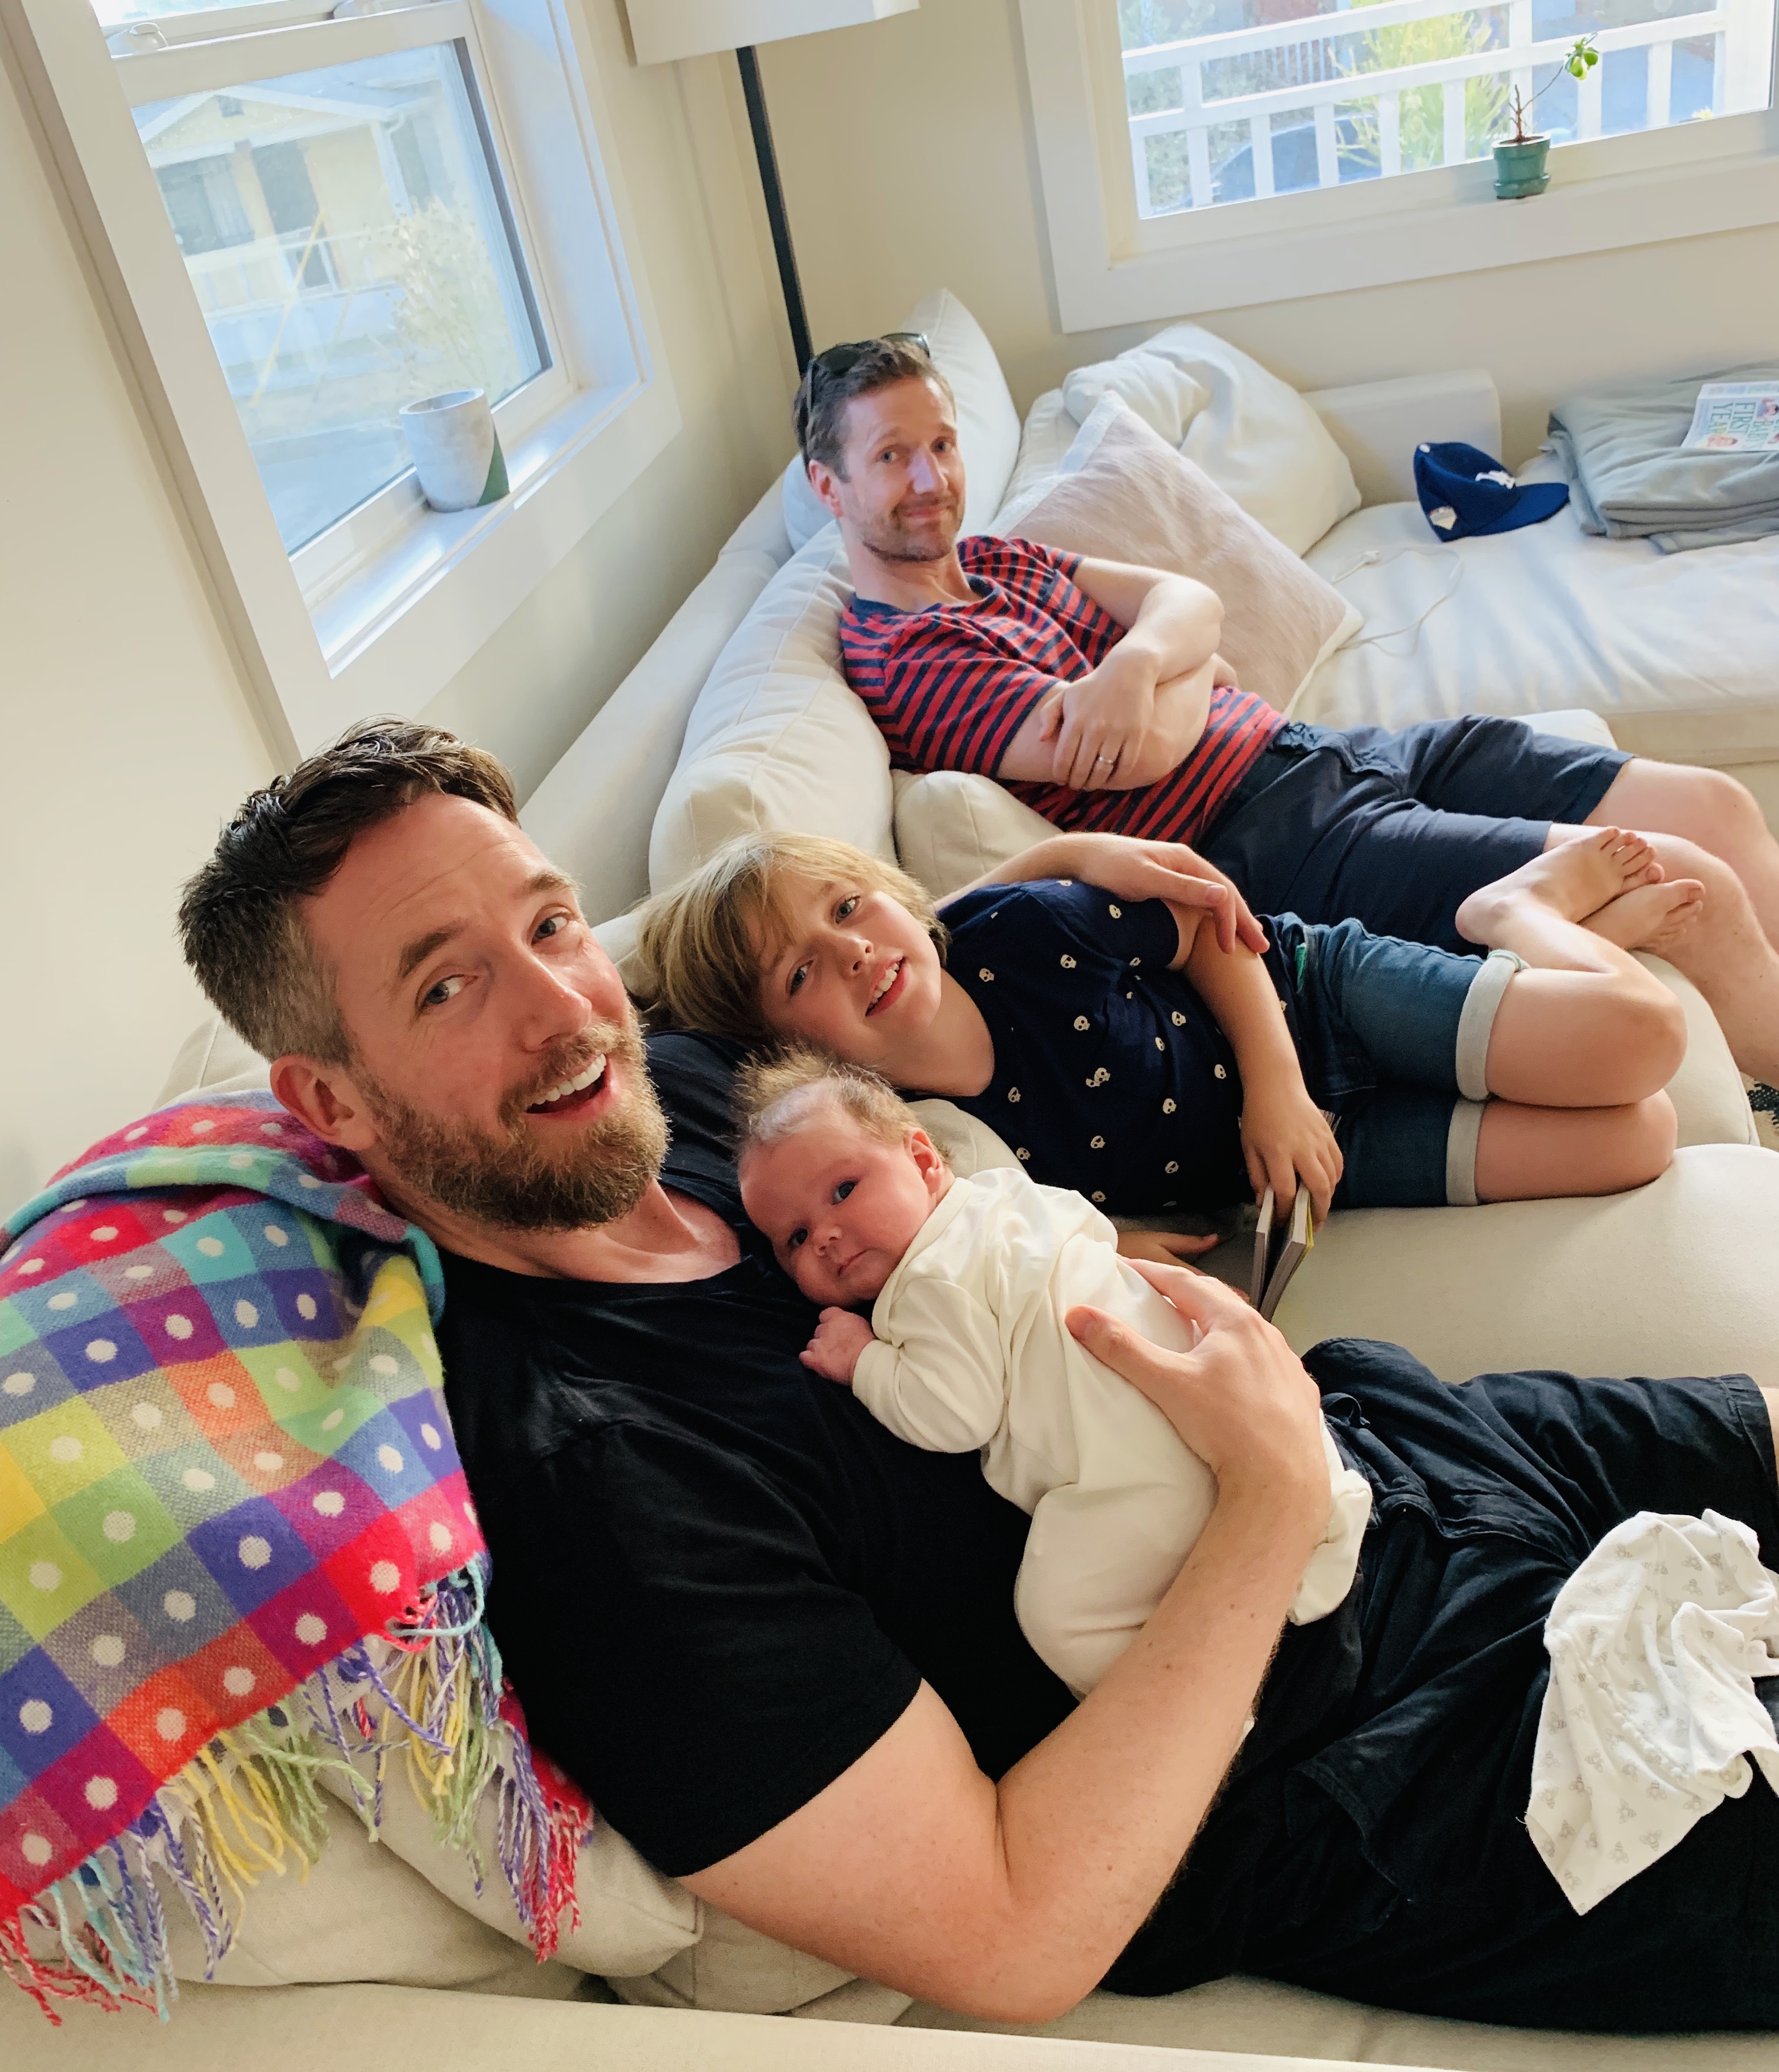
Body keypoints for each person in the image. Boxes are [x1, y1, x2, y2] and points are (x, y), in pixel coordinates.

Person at [176, 719, 1779, 2034]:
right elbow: (1012, 1934)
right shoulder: (596, 1483)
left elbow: (883, 968)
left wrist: (1060, 866)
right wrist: (1265, 1494)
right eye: (446, 985)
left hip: (1382, 1436)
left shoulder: (691, 1083)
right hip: (1364, 1741)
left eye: (547, 925)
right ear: (334, 1105)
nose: (560, 1010)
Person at [799, 333, 1779, 1085]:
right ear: (827, 484)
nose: (930, 480)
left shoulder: (996, 558)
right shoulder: (907, 657)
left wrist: (1141, 658)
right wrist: (1190, 665)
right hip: (1274, 840)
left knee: (1715, 806)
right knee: (1690, 876)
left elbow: (1189, 600)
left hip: (1325, 753)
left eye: (941, 445)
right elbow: (1147, 749)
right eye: (891, 456)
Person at [636, 826, 1694, 1224]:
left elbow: (1207, 928)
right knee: (1637, 1138)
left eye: (848, 908)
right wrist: (1119, 1239)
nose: (854, 953)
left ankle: (1512, 912)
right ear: (788, 1047)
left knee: (1643, 1041)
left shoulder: (1019, 933)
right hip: (1302, 1164)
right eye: (800, 972)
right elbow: (1010, 1230)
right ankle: (1527, 965)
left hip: (1310, 998)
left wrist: (1277, 1087)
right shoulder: (909, 1137)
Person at [733, 1050, 1374, 1699]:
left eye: (844, 1190)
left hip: (1129, 1475)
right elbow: (1092, 1231)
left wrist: (864, 1359)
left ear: (923, 1160)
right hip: (1221, 1394)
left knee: (1059, 1619)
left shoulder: (923, 1285)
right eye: (795, 1238)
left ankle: (1193, 1704)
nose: (826, 1235)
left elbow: (956, 1415)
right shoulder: (1005, 1195)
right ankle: (1331, 1515)